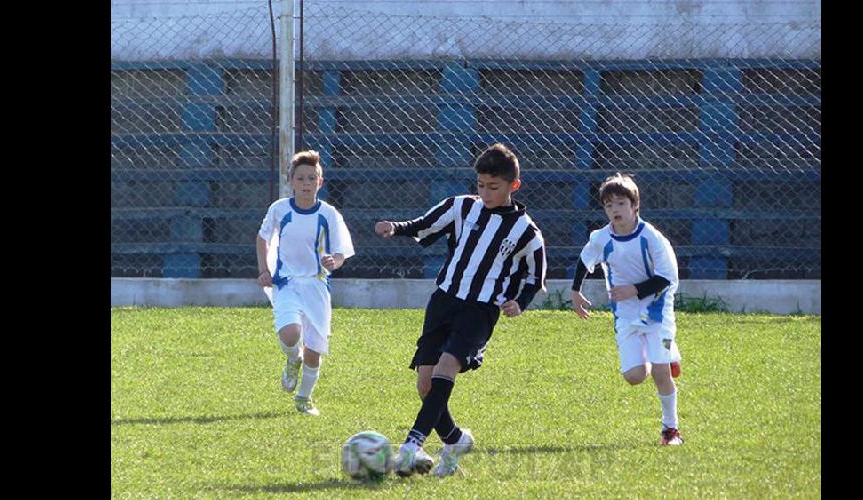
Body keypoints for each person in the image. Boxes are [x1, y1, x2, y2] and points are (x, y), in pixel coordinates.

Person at [374, 143, 546, 477]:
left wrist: (519, 303)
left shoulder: (527, 231)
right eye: (480, 185)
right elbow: (423, 224)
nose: (485, 192)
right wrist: (395, 227)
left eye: (493, 187)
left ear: (514, 185)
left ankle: (412, 444)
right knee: (425, 384)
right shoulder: (461, 207)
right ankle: (454, 439)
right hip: (444, 301)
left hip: (480, 310)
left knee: (448, 365)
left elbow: (535, 276)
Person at [570, 173, 684, 446]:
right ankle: (665, 355)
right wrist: (576, 291)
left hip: (658, 312)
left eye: (620, 204)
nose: (614, 210)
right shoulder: (602, 237)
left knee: (660, 373)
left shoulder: (652, 238)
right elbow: (585, 260)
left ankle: (671, 430)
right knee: (634, 377)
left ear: (635, 206)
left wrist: (634, 289)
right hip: (626, 314)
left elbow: (667, 277)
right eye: (609, 205)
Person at [256, 150, 354, 416]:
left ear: (320, 183)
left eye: (312, 178)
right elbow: (262, 238)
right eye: (301, 178)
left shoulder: (328, 213)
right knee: (290, 334)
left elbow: (341, 250)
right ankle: (292, 359)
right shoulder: (279, 209)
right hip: (286, 282)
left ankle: (304, 398)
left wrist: (335, 261)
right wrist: (264, 269)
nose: (306, 183)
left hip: (316, 286)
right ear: (291, 181)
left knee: (314, 350)